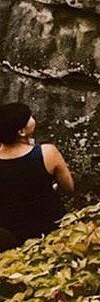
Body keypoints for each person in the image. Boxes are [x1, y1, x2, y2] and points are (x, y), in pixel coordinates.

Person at [0, 102, 74, 249]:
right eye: (29, 117)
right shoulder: (47, 153)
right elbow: (69, 187)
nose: (33, 118)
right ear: (21, 131)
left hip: (9, 231)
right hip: (49, 228)